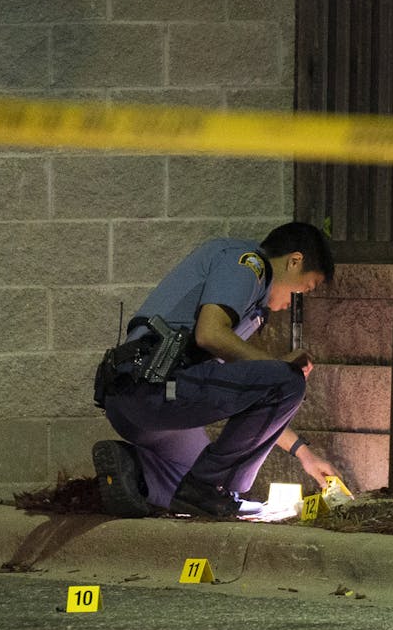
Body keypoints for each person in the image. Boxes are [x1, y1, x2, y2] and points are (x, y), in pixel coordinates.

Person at [91, 222, 339, 518]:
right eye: (303, 287)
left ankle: (135, 466)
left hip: (129, 399)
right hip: (154, 390)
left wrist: (304, 454)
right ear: (294, 260)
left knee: (196, 475)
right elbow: (209, 334)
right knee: (288, 382)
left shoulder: (249, 300)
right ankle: (209, 489)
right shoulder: (248, 263)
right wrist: (278, 367)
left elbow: (251, 398)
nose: (292, 301)